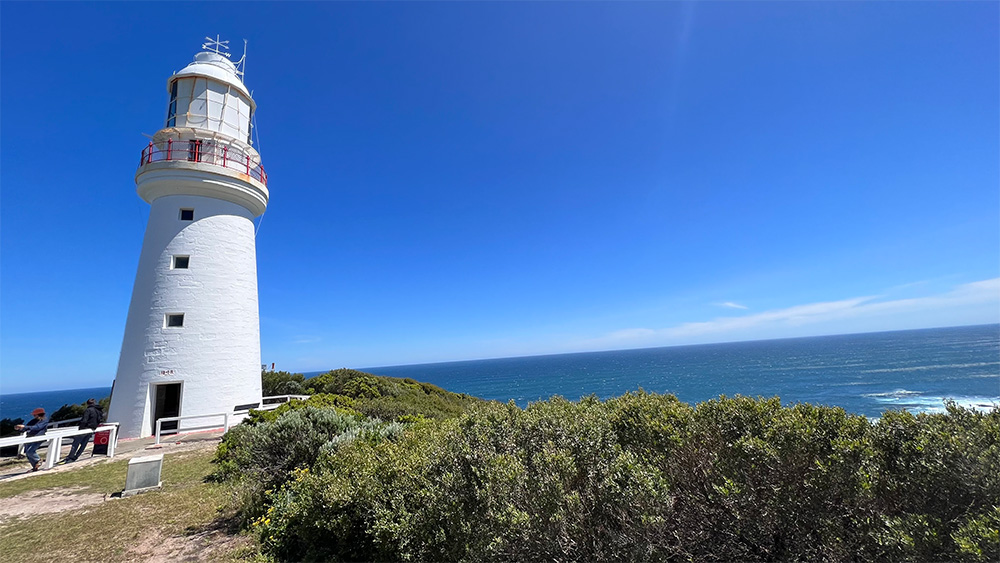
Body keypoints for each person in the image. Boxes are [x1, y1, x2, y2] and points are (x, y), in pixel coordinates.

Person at [64, 399, 103, 463]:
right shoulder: (99, 410)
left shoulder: (88, 410)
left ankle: (70, 456)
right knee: (83, 444)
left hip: (85, 428)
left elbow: (84, 420)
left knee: (76, 443)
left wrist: (80, 428)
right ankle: (76, 456)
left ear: (88, 404)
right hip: (92, 429)